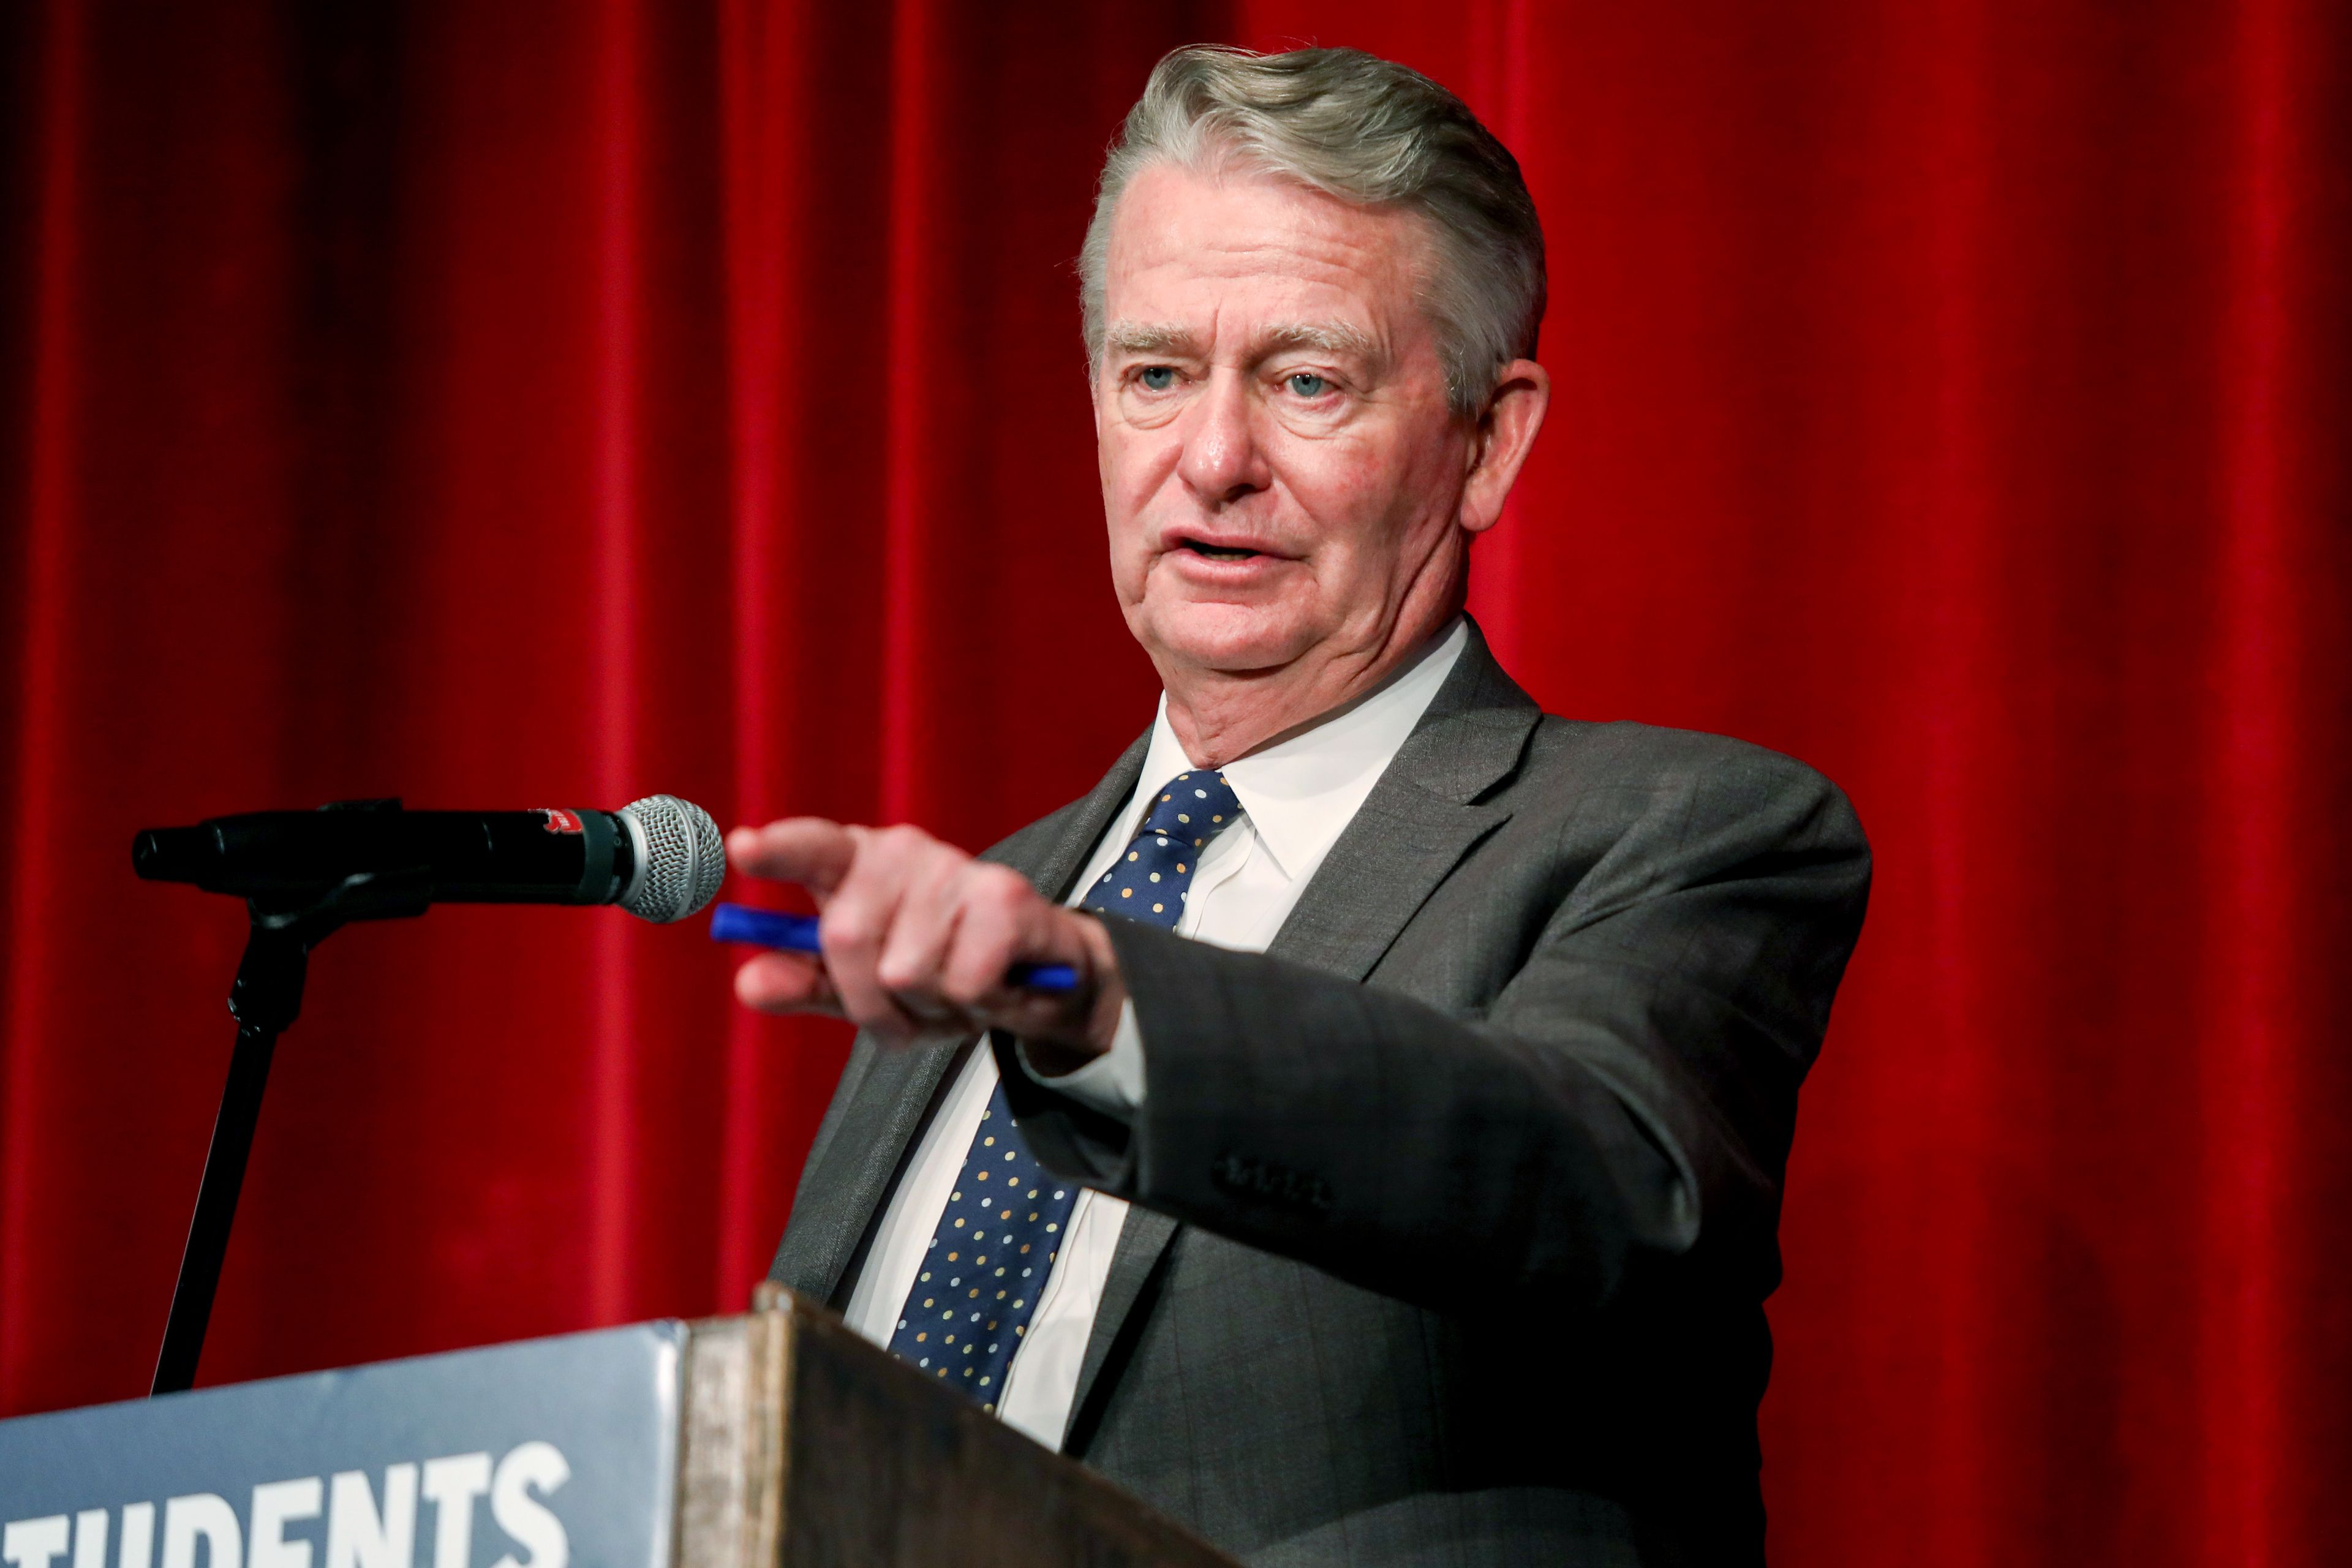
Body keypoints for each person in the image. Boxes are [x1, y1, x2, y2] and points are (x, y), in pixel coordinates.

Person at [733, 44, 1869, 1567]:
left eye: (1306, 380)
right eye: (1155, 375)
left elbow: (1602, 1175)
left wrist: (1099, 1001)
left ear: (1489, 438)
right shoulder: (985, 915)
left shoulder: (1683, 833)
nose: (1211, 461)